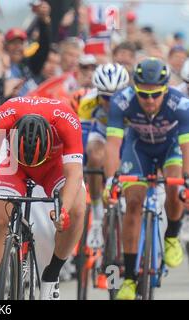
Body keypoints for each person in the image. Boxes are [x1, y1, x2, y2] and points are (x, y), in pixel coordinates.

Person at [0, 96, 85, 300]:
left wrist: (62, 209)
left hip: (53, 166)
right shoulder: (6, 113)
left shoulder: (67, 119)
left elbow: (74, 174)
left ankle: (52, 273)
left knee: (76, 211)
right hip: (14, 164)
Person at [104, 58, 189, 300]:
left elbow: (186, 147)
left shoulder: (181, 104)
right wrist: (112, 180)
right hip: (138, 148)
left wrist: (187, 180)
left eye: (155, 95)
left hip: (170, 148)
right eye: (143, 94)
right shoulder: (121, 102)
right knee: (132, 203)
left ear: (165, 89)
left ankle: (172, 235)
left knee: (174, 188)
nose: (149, 101)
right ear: (134, 89)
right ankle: (129, 278)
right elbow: (113, 145)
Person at [78, 63, 129, 248]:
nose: (110, 102)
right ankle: (98, 211)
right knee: (95, 155)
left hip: (126, 137)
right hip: (100, 133)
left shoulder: (133, 102)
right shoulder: (87, 102)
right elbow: (82, 139)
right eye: (105, 97)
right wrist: (83, 167)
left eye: (115, 96)